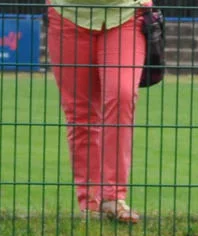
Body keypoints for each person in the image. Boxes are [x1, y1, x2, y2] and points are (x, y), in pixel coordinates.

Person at [48, 0, 150, 223]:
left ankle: (113, 197)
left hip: (126, 12)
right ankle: (90, 204)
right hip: (68, 13)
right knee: (80, 113)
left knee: (122, 95)